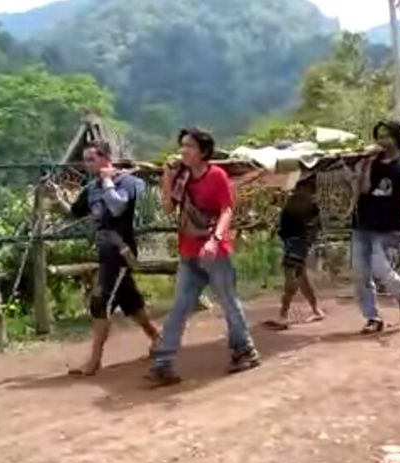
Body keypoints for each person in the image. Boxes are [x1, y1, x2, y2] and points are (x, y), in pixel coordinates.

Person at [147, 127, 261, 386]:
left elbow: (226, 210)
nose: (183, 151)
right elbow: (168, 207)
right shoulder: (181, 178)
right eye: (182, 145)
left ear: (203, 152)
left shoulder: (217, 176)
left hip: (214, 252)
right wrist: (167, 178)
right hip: (189, 251)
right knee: (179, 307)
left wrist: (216, 238)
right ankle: (163, 362)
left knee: (229, 302)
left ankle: (245, 351)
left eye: (189, 146)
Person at [46, 140, 160, 376]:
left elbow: (118, 208)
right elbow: (73, 214)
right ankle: (158, 338)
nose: (87, 164)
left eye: (92, 159)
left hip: (121, 251)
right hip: (105, 251)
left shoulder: (129, 182)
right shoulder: (92, 188)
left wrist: (108, 182)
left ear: (106, 158)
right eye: (85, 160)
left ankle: (94, 360)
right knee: (129, 300)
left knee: (100, 301)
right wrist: (57, 200)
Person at [352, 120, 400, 333]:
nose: (382, 140)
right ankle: (372, 318)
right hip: (362, 224)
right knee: (360, 273)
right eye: (379, 136)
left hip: (389, 226)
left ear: (397, 137)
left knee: (380, 268)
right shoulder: (370, 163)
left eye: (387, 135)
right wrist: (365, 166)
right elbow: (363, 190)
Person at [264, 177, 325, 330]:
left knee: (292, 280)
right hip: (293, 243)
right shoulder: (295, 203)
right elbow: (285, 227)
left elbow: (312, 231)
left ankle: (283, 314)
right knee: (301, 279)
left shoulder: (309, 206)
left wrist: (304, 248)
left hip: (299, 245)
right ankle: (316, 310)